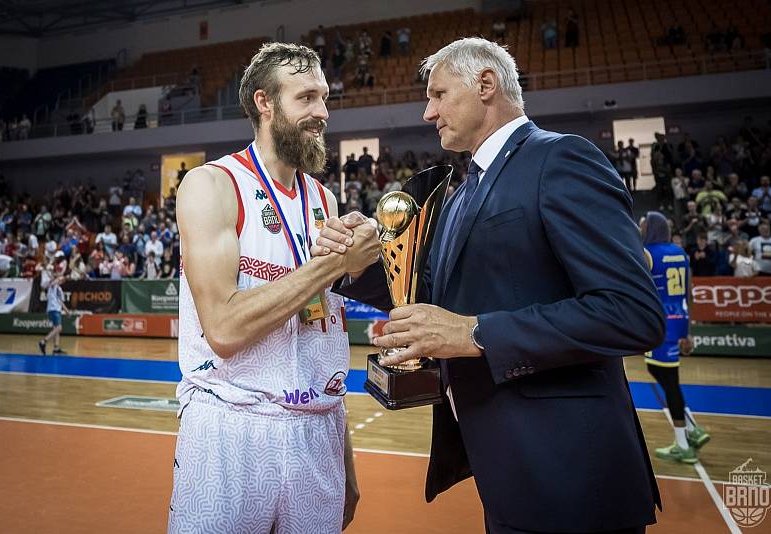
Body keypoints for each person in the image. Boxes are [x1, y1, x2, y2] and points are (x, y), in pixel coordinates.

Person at [316, 38, 665, 533]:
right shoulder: (462, 193)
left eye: (438, 94)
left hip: (571, 478)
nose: (427, 112)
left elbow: (633, 311)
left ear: (485, 84)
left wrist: (474, 334)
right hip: (506, 473)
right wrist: (359, 265)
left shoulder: (560, 158)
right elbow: (432, 291)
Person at [169, 42, 378, 534]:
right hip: (230, 431)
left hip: (318, 434)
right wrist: (333, 266)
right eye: (306, 98)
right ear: (264, 103)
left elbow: (323, 335)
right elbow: (223, 327)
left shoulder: (324, 199)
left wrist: (343, 457)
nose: (322, 113)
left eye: (324, 98)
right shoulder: (212, 185)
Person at [640, 212, 710, 464]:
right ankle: (692, 428)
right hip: (678, 318)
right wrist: (688, 330)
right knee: (659, 372)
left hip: (661, 322)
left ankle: (683, 443)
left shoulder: (647, 253)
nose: (640, 227)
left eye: (643, 224)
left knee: (668, 381)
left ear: (652, 228)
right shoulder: (681, 253)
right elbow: (689, 294)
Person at [38, 274, 69, 355]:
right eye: (61, 279)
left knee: (56, 329)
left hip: (56, 310)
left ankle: (56, 348)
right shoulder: (53, 286)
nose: (62, 280)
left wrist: (66, 311)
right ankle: (43, 341)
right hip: (53, 309)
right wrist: (57, 278)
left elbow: (61, 302)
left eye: (63, 280)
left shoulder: (59, 289)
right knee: (59, 328)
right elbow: (52, 283)